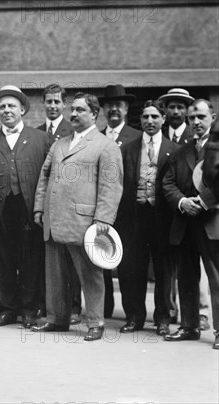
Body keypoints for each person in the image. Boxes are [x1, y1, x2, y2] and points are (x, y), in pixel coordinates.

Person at [33, 92, 123, 341]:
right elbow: (44, 176)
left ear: (94, 114)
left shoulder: (106, 146)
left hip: (85, 223)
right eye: (72, 109)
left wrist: (103, 220)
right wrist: (39, 208)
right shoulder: (60, 143)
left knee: (90, 274)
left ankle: (96, 322)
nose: (73, 114)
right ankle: (57, 319)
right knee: (56, 274)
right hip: (54, 220)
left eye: (80, 110)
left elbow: (111, 186)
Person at [0, 85, 48, 328]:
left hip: (28, 209)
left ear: (22, 109)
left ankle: (28, 308)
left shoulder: (40, 139)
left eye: (11, 106)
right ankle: (7, 308)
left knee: (29, 259)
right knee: (1, 259)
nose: (6, 110)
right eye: (2, 107)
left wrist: (44, 208)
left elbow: (48, 177)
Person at [115, 100, 179, 336]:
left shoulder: (174, 149)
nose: (150, 121)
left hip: (162, 219)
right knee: (133, 268)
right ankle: (134, 317)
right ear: (140, 121)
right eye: (145, 117)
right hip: (134, 217)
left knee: (164, 270)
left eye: (154, 117)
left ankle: (162, 318)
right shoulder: (127, 149)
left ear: (163, 119)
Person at [162, 99, 219, 349]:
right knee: (186, 276)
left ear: (213, 117)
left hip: (211, 221)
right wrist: (183, 202)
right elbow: (168, 183)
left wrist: (204, 202)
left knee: (216, 278)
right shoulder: (181, 150)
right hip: (185, 222)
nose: (196, 122)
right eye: (192, 118)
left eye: (201, 117)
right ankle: (189, 326)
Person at [36, 83, 82, 324]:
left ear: (64, 105)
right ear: (43, 104)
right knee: (50, 260)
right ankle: (49, 307)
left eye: (57, 102)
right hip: (47, 204)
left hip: (68, 204)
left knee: (71, 259)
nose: (52, 106)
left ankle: (74, 308)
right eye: (49, 101)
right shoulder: (35, 131)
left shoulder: (71, 129)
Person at [98, 84, 139, 318]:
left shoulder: (137, 137)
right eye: (110, 105)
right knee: (101, 260)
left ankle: (133, 314)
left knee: (128, 264)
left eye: (119, 105)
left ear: (126, 108)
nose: (114, 109)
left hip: (127, 212)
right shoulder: (96, 137)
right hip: (102, 212)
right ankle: (104, 310)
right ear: (103, 109)